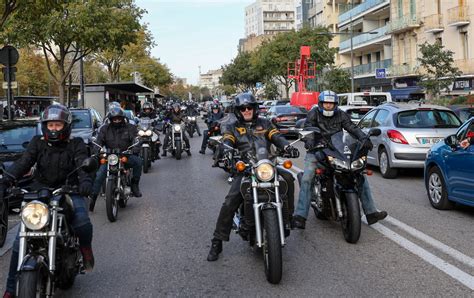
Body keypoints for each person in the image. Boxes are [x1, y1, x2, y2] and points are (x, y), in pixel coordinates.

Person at [1, 104, 95, 298]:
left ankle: (85, 249)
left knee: (82, 222)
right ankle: (10, 290)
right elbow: (24, 162)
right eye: (50, 125)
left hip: (69, 189)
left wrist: (85, 182)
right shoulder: (37, 143)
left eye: (57, 125)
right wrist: (7, 178)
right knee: (20, 242)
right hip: (41, 191)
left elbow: (82, 163)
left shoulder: (75, 143)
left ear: (66, 126)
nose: (53, 129)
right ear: (45, 126)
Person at [207, 93, 299, 262]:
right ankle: (217, 241)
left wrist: (286, 146)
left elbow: (276, 136)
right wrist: (226, 151)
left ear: (255, 108)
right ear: (238, 110)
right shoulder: (233, 127)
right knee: (231, 200)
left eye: (250, 107)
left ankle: (288, 218)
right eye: (243, 108)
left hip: (266, 166)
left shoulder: (265, 123)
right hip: (246, 168)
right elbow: (227, 140)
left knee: (288, 179)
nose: (247, 110)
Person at [292, 90, 387, 229]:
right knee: (307, 177)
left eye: (331, 103)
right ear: (321, 103)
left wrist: (363, 138)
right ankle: (300, 216)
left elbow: (351, 127)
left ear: (335, 104)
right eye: (326, 103)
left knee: (358, 174)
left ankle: (371, 212)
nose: (328, 106)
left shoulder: (341, 114)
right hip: (317, 149)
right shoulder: (314, 113)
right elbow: (308, 129)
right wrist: (309, 141)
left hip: (336, 149)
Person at [89, 107, 143, 212]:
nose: (117, 121)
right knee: (100, 175)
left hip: (125, 155)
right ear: (111, 119)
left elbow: (136, 139)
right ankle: (93, 198)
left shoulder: (130, 127)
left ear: (122, 118)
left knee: (138, 162)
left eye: (119, 119)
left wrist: (134, 148)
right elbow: (98, 141)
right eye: (114, 119)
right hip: (110, 156)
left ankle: (135, 185)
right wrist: (97, 150)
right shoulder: (105, 129)